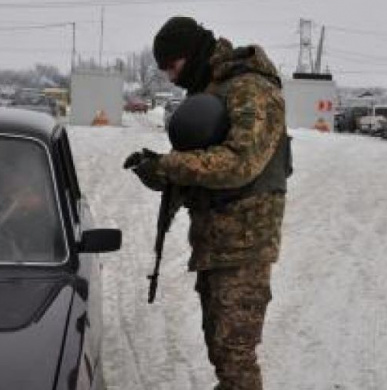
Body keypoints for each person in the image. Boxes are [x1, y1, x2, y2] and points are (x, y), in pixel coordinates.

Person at [126, 16, 290, 390]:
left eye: (172, 66)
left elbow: (240, 164)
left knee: (236, 358)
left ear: (191, 53)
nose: (169, 77)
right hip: (216, 240)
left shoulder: (251, 88)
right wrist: (159, 172)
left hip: (244, 244)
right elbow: (201, 163)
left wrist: (172, 166)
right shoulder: (212, 89)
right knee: (221, 351)